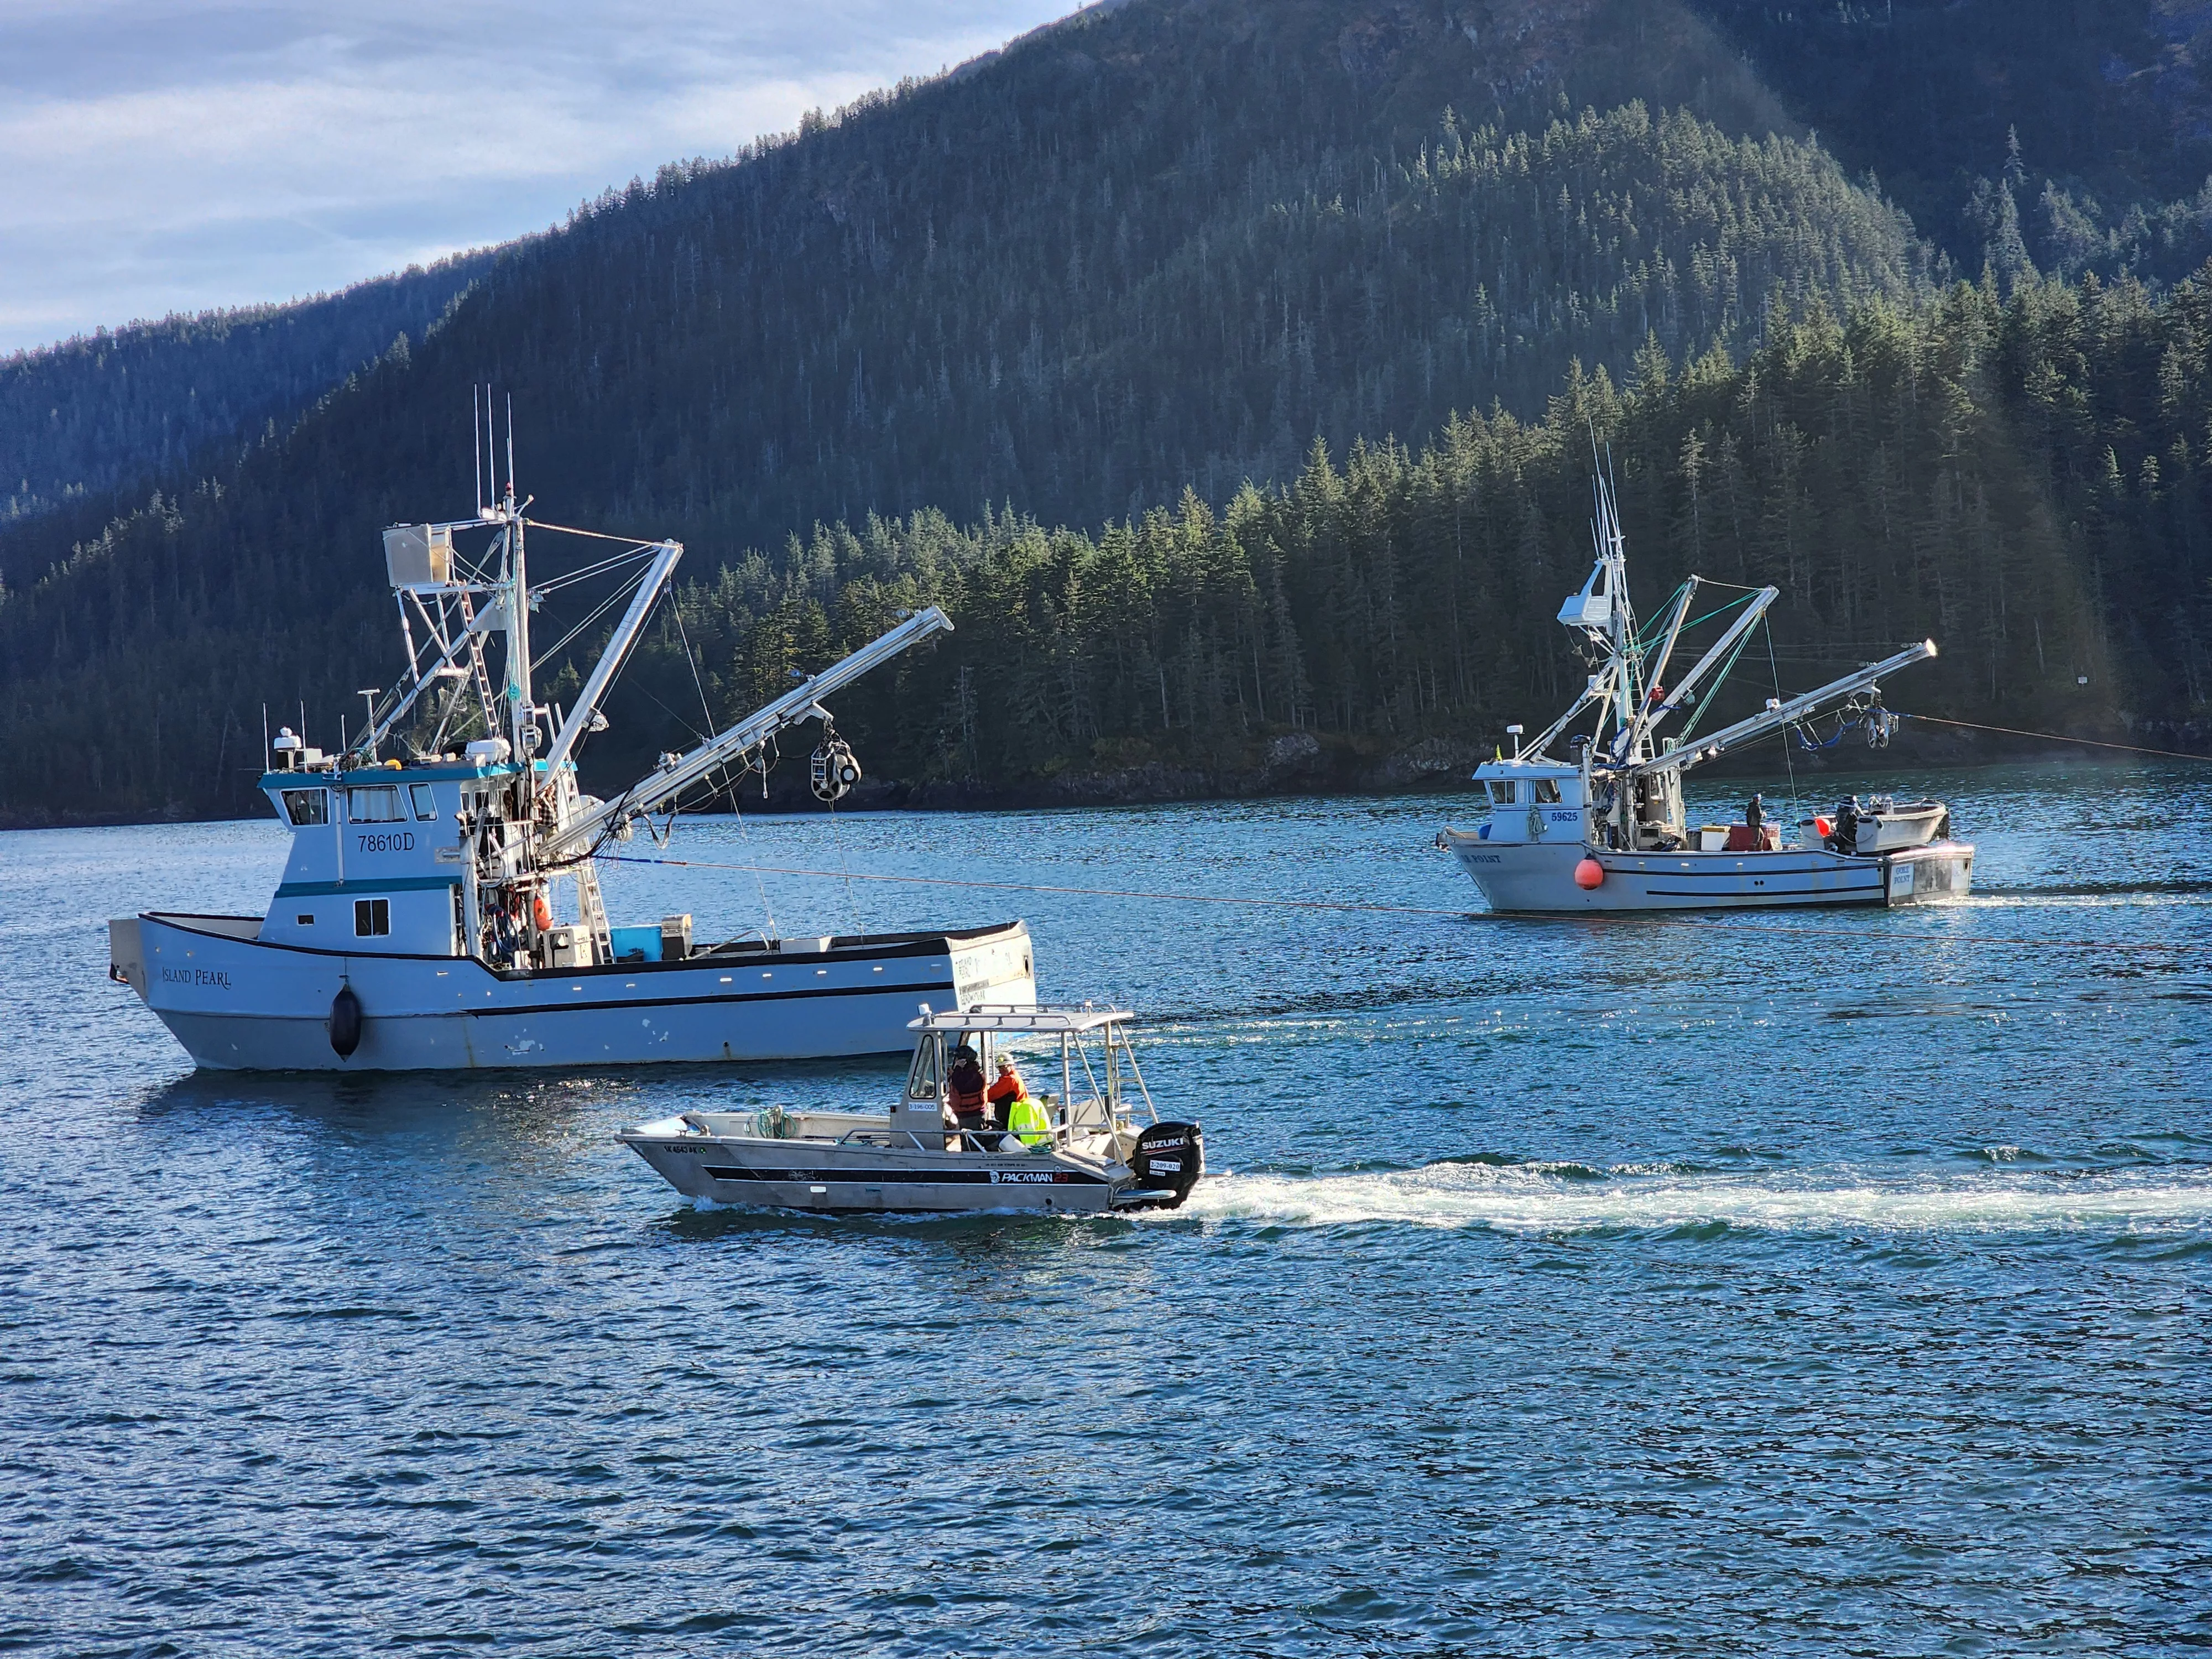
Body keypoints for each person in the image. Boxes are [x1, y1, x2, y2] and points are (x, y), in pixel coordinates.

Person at [946, 1044, 988, 1138]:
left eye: (958, 1059)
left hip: (971, 1114)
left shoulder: (973, 1073)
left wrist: (957, 1069)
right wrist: (955, 1072)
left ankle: (972, 1153)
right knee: (970, 1139)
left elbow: (961, 1085)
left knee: (971, 1142)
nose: (956, 1061)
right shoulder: (971, 1071)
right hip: (968, 1113)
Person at [985, 1055, 1025, 1128]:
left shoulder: (1009, 1080)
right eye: (999, 1067)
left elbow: (988, 1096)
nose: (1001, 1070)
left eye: (1004, 1067)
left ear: (1011, 1065)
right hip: (1018, 1117)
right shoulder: (1016, 1077)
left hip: (1010, 1120)